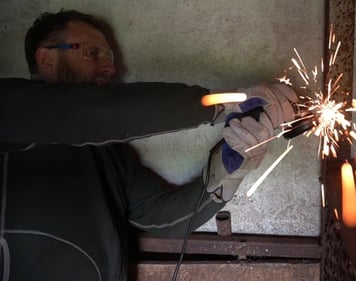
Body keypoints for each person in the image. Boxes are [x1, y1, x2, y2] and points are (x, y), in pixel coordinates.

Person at [0, 10, 298, 281]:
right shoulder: (8, 106)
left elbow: (167, 220)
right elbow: (97, 112)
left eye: (111, 59)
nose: (109, 68)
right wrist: (225, 104)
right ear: (46, 58)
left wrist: (231, 168)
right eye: (93, 53)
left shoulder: (111, 158)